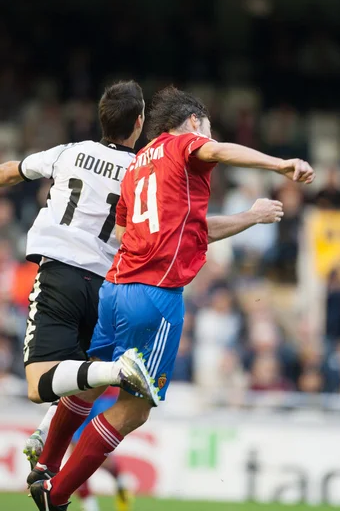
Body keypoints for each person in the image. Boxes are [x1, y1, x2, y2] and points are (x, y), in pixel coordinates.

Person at [29, 86, 315, 510]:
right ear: (195, 123)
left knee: (90, 382)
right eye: (207, 132)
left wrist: (250, 217)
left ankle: (45, 467)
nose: (208, 141)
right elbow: (217, 152)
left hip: (114, 289)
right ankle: (59, 496)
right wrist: (280, 164)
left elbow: (135, 233)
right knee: (134, 409)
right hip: (156, 296)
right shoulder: (185, 144)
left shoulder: (138, 167)